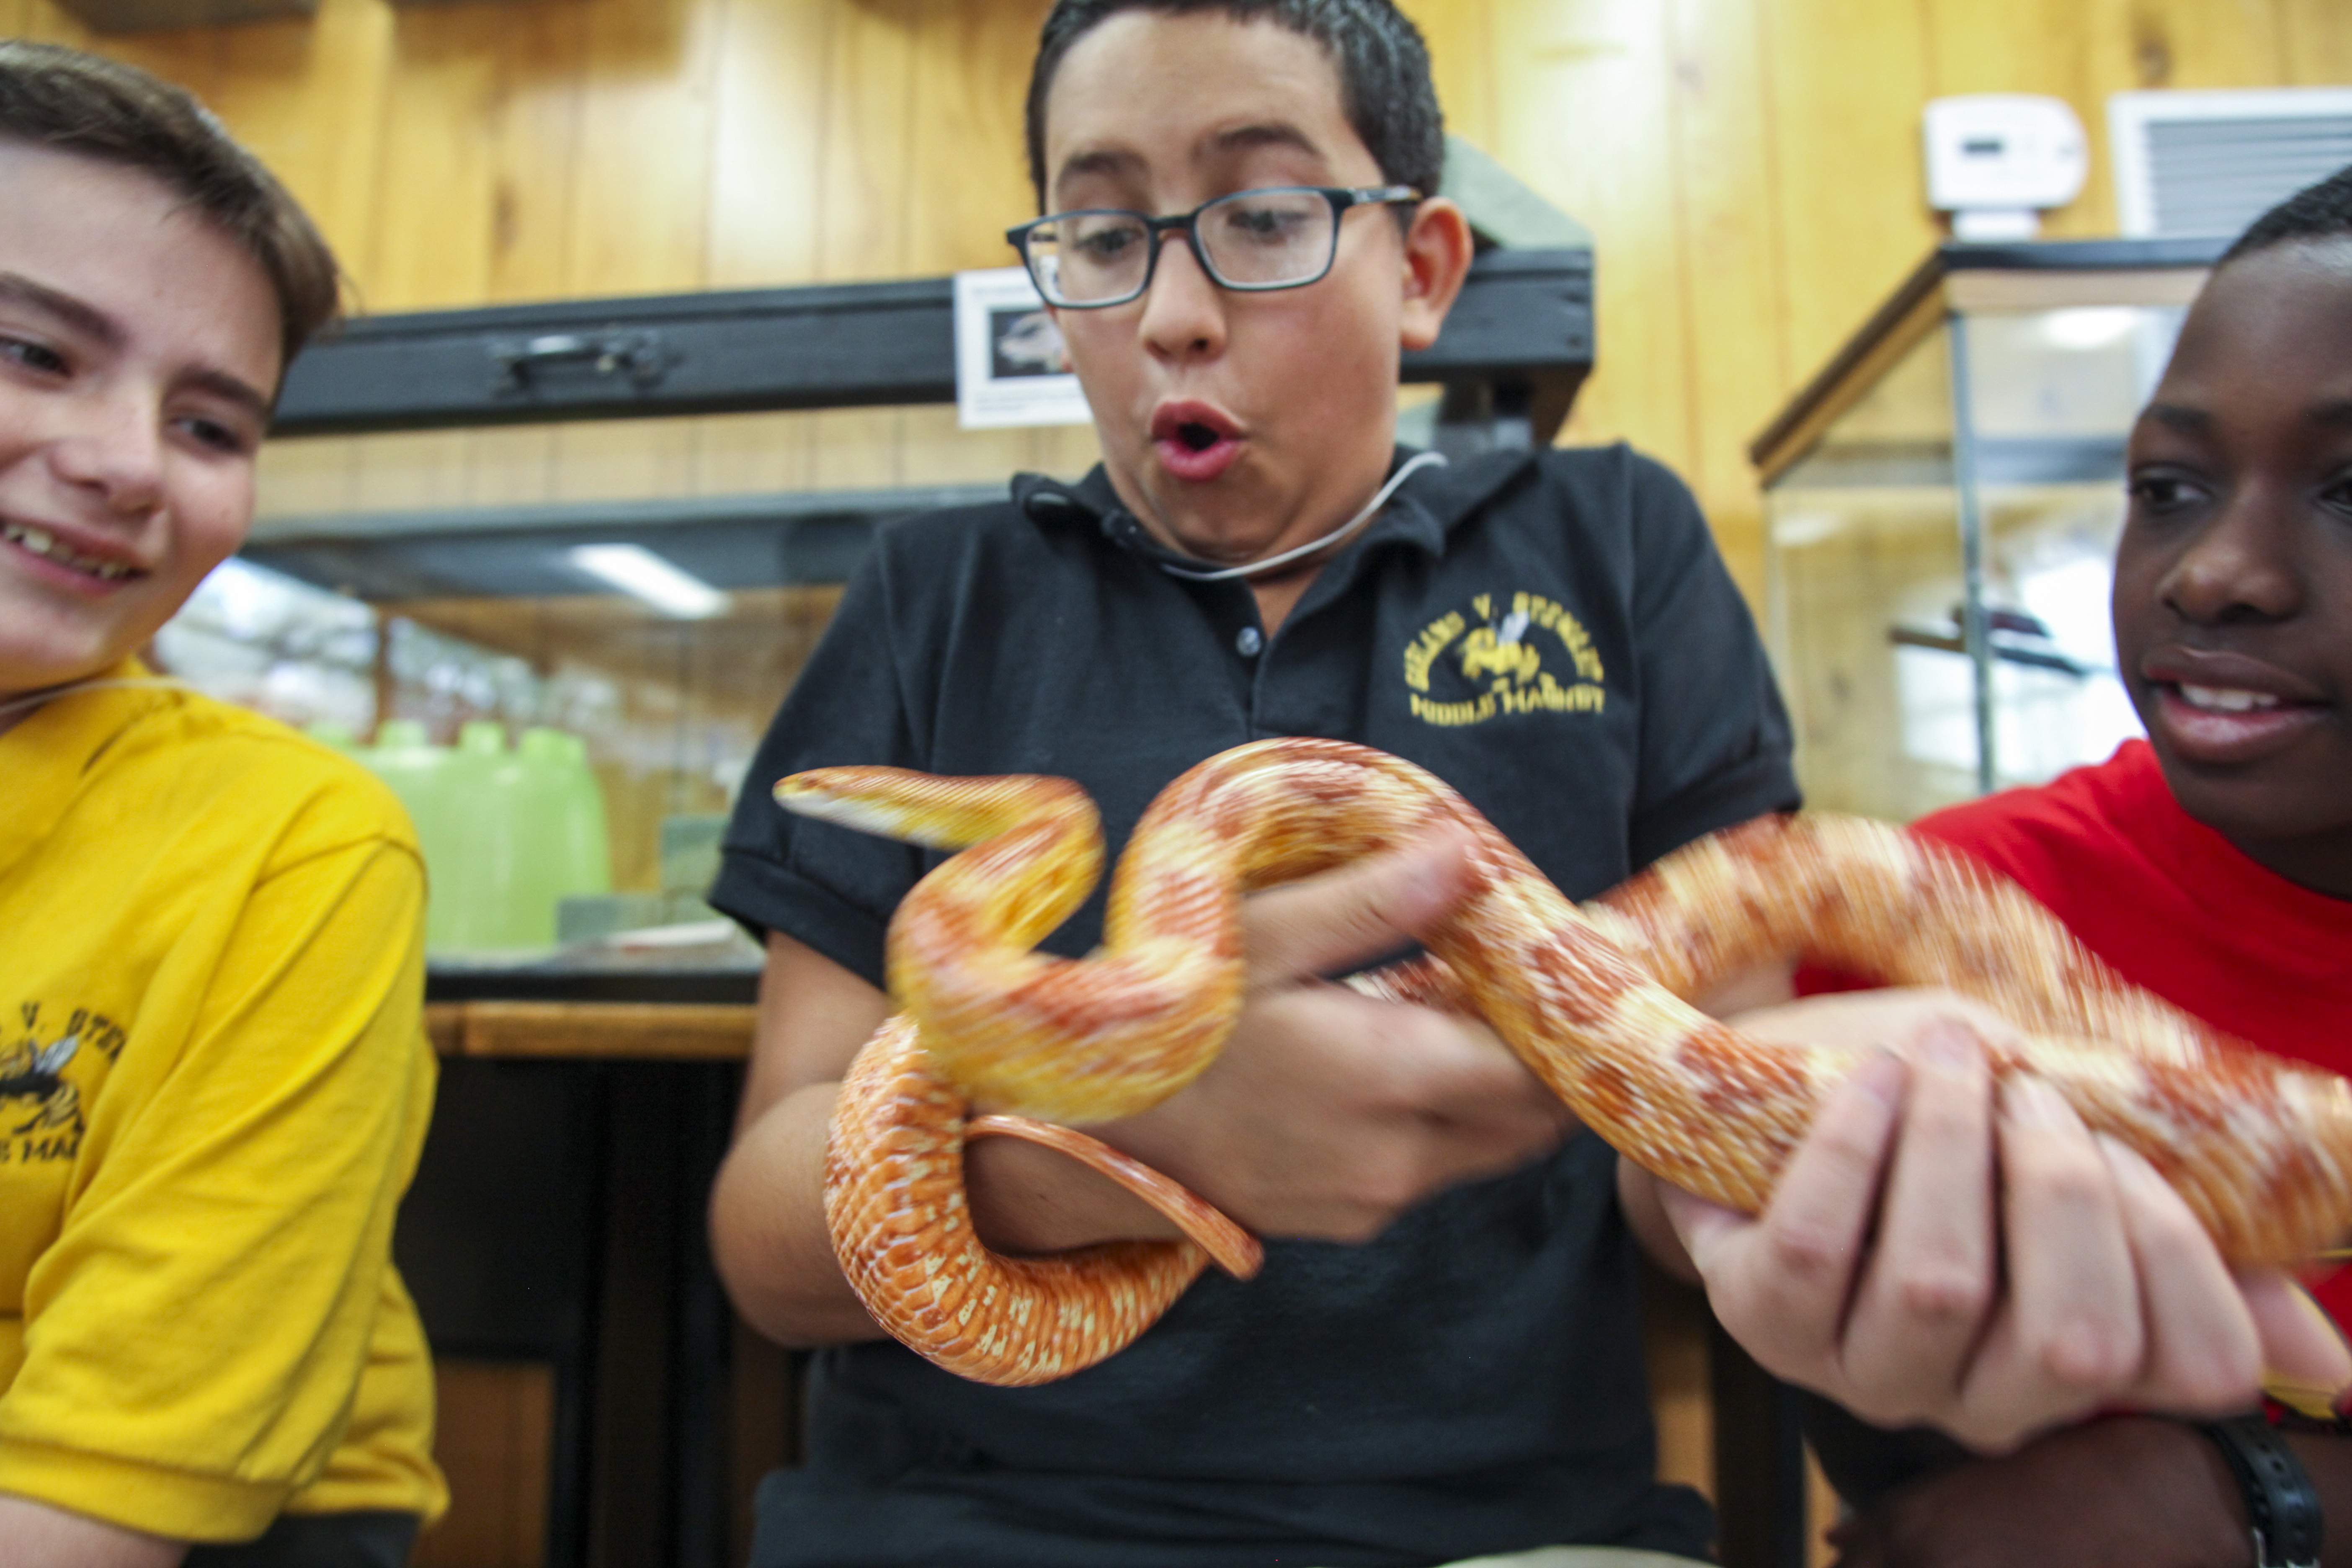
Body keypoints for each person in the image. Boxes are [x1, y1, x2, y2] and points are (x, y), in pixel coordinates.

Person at [707, 4, 2345, 1563]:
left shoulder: (1614, 546)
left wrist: (1795, 1170)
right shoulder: (938, 595)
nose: (1173, 313)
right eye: (1105, 235)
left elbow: (1693, 1120)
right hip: (950, 1526)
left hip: (1498, 1530)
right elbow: (768, 1237)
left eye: (1263, 215)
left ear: (1422, 269)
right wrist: (1138, 1117)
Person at [1801, 166, 2352, 1568]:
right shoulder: (1964, 899)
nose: (2219, 572)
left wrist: (2259, 1507)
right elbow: (1674, 1142)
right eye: (2168, 488)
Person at [0, 43, 446, 1568]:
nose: (126, 463)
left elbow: (110, 1493)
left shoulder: (297, 845)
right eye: (34, 351)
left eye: (210, 426)